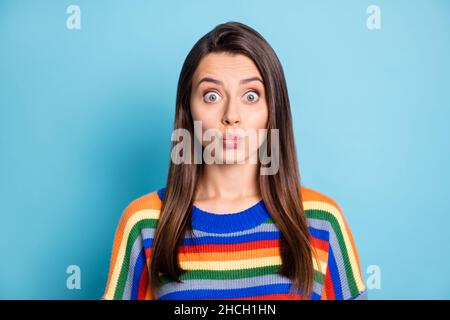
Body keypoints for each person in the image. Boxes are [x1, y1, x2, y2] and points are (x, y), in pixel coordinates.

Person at [102, 21, 367, 300]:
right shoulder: (145, 223)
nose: (231, 115)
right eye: (212, 96)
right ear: (188, 108)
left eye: (251, 96)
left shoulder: (321, 220)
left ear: (272, 110)